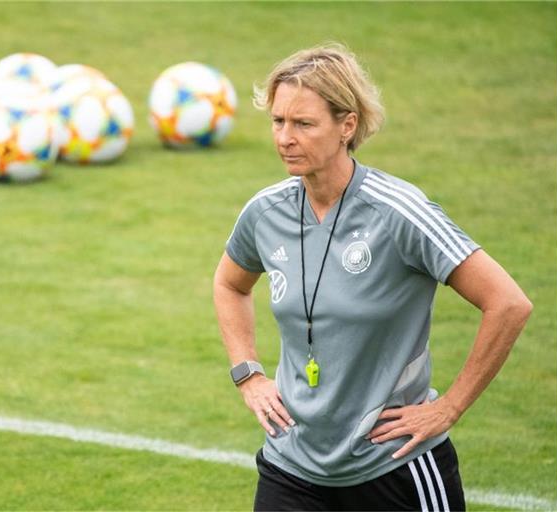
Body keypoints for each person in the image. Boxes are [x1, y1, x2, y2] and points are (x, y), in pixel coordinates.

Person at [212, 43, 532, 511]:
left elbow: (508, 303)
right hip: (292, 465)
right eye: (278, 121)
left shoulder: (398, 212)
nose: (284, 137)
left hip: (394, 466)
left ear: (348, 125)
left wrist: (448, 408)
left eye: (303, 123)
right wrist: (248, 373)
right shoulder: (266, 213)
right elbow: (229, 284)